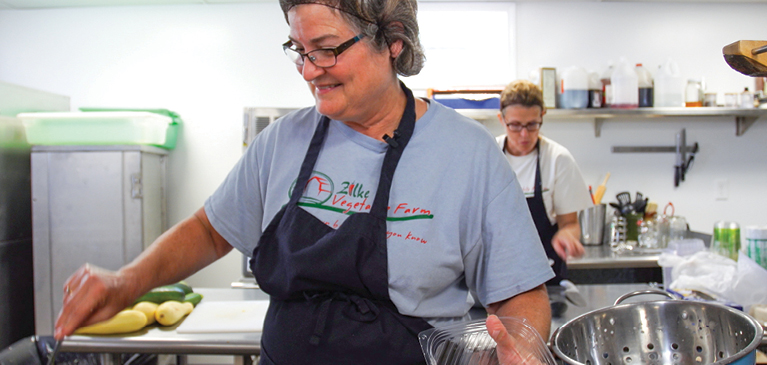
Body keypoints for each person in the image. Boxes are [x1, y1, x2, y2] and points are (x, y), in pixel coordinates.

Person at [53, 1, 555, 363]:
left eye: (327, 49)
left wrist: (524, 351)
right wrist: (128, 280)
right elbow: (211, 229)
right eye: (299, 49)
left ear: (393, 42)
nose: (309, 70)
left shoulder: (466, 155)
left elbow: (517, 293)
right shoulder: (282, 142)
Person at [495, 80, 593, 286]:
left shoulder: (558, 159)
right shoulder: (489, 156)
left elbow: (570, 223)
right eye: (515, 125)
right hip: (497, 273)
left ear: (542, 117)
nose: (524, 134)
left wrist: (566, 236)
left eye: (532, 125)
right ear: (501, 120)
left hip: (546, 273)